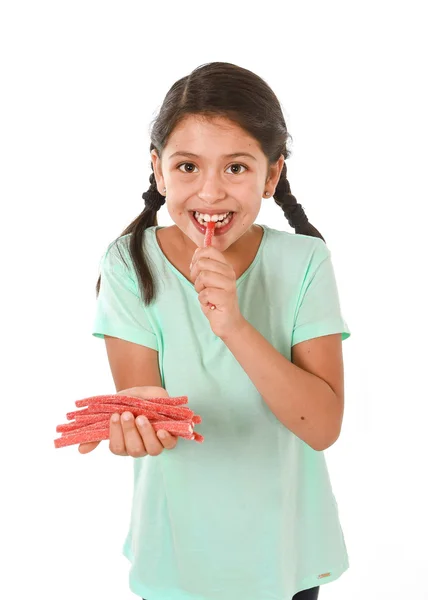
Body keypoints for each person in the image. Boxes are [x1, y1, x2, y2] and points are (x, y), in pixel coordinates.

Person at [81, 62, 351, 600]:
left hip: (284, 553)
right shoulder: (128, 262)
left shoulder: (305, 262)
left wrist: (232, 324)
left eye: (235, 169)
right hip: (178, 555)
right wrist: (139, 420)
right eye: (187, 167)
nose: (210, 193)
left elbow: (321, 427)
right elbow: (144, 398)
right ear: (158, 171)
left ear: (270, 177)